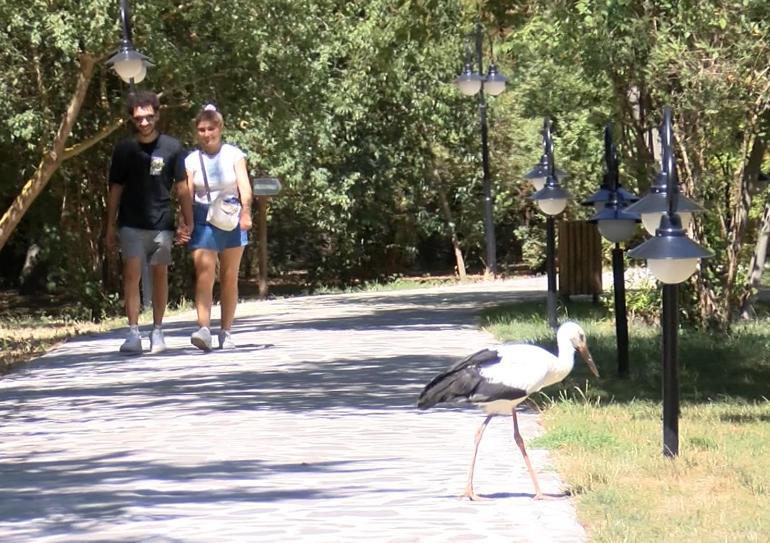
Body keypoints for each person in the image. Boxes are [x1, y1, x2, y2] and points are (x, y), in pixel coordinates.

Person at [105, 90, 192, 354]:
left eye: (149, 117)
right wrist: (109, 225)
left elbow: (183, 187)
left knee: (159, 276)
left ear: (157, 115)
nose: (144, 123)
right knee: (131, 275)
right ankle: (133, 332)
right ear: (132, 119)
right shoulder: (124, 149)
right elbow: (115, 188)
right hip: (131, 223)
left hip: (162, 224)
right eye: (139, 118)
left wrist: (187, 221)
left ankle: (157, 331)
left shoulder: (173, 147)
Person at [182, 104, 252, 350]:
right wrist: (186, 221)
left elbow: (244, 186)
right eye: (201, 129)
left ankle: (226, 331)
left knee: (229, 275)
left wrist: (246, 213)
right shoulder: (191, 160)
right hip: (203, 217)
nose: (206, 133)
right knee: (204, 272)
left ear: (220, 128)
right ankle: (203, 328)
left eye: (210, 128)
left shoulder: (234, 155)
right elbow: (187, 194)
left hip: (231, 216)